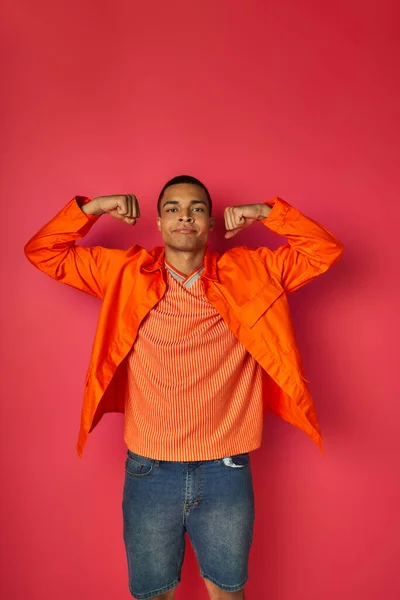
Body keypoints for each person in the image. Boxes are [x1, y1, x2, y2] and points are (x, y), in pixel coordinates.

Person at [24, 175, 343, 600]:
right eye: (173, 208)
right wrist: (94, 207)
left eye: (195, 208)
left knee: (229, 593)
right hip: (150, 468)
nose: (184, 216)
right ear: (158, 222)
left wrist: (267, 213)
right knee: (153, 595)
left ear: (211, 223)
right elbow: (43, 251)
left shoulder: (252, 271)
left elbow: (324, 250)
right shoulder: (124, 272)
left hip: (225, 467)